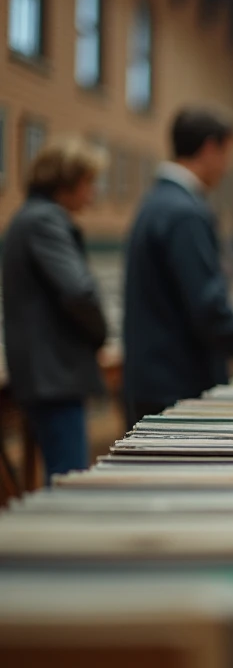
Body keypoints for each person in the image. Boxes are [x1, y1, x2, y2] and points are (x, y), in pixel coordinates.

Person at [123, 107, 233, 429]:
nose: (227, 168)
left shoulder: (157, 202)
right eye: (227, 154)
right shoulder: (185, 212)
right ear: (210, 149)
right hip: (177, 381)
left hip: (155, 377)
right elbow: (207, 303)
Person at [2, 138, 108, 483]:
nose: (92, 194)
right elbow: (78, 290)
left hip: (46, 372)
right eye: (88, 183)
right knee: (69, 481)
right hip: (54, 374)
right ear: (67, 181)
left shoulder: (31, 217)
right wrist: (99, 332)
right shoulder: (45, 221)